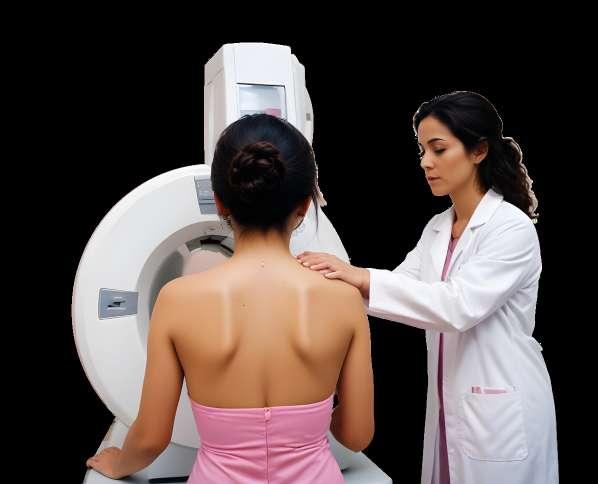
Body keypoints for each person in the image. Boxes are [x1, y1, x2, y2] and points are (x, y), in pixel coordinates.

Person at [85, 113, 375, 483]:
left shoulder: (176, 300)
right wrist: (305, 425)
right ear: (304, 206)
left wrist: (118, 464)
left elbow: (151, 439)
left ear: (220, 203)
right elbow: (356, 435)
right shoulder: (344, 298)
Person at [298, 91, 558, 484]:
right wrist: (319, 274)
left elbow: (457, 306)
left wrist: (359, 275)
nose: (425, 162)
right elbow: (400, 290)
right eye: (422, 150)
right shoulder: (438, 228)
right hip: (451, 407)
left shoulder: (510, 228)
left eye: (438, 149)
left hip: (500, 408)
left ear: (479, 150)